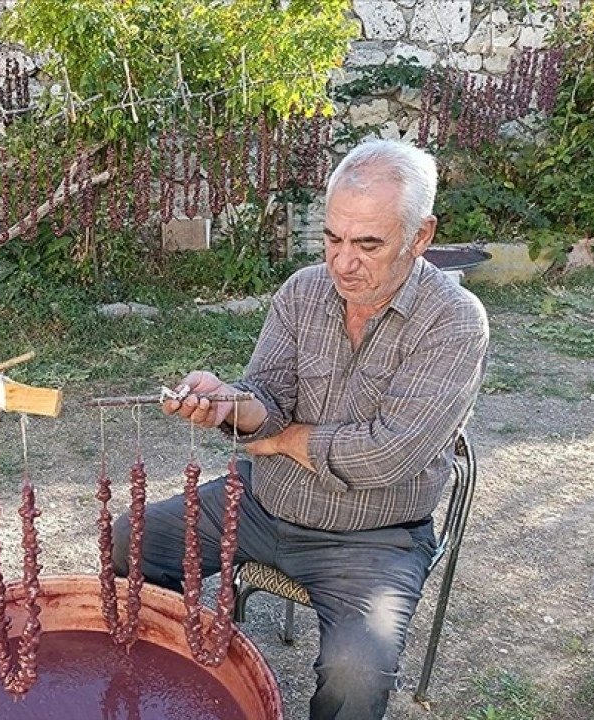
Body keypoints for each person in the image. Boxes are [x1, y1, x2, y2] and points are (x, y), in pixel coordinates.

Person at [112, 138, 489, 719]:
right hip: (263, 502)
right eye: (333, 238)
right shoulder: (303, 291)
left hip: (374, 537)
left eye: (368, 244)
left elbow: (388, 456)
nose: (342, 262)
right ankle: (167, 686)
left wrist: (285, 440)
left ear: (420, 236)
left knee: (356, 674)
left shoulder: (456, 322)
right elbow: (269, 397)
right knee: (129, 541)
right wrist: (228, 404)